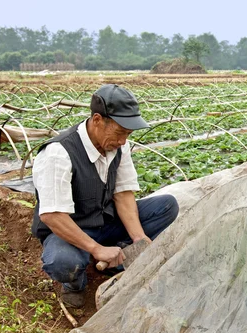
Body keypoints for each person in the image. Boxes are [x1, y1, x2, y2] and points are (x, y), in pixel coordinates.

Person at [31, 84, 179, 308]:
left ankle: (117, 260)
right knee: (63, 262)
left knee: (167, 205)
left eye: (128, 135)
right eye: (120, 133)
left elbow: (123, 194)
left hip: (105, 222)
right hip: (70, 229)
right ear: (98, 120)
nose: (123, 141)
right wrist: (95, 248)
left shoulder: (118, 147)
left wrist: (138, 238)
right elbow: (53, 216)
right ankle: (75, 283)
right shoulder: (58, 153)